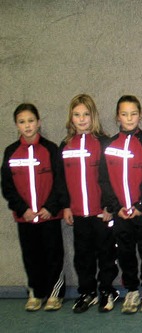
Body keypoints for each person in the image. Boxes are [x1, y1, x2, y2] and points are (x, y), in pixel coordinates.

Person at [58, 94, 119, 313]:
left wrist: (109, 206)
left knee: (106, 254)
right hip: (78, 213)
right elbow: (61, 180)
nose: (82, 119)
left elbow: (112, 177)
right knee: (82, 255)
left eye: (86, 114)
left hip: (101, 212)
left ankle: (106, 291)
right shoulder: (65, 146)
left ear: (93, 116)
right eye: (77, 115)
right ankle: (87, 292)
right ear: (71, 118)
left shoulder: (104, 143)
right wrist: (66, 206)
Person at [1, 103, 65, 312]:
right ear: (17, 125)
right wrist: (22, 210)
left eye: (30, 121)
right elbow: (7, 187)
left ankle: (55, 294)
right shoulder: (11, 152)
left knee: (53, 254)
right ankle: (35, 293)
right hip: (25, 218)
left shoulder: (51, 149)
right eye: (22, 122)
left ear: (38, 123)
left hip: (49, 217)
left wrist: (51, 207)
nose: (27, 126)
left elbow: (60, 183)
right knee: (31, 256)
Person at [100, 95, 142, 313]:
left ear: (140, 115)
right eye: (124, 114)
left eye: (133, 113)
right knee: (125, 253)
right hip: (120, 214)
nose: (129, 118)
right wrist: (117, 208)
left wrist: (140, 206)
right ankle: (132, 291)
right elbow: (104, 178)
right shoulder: (109, 144)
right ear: (118, 116)